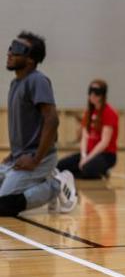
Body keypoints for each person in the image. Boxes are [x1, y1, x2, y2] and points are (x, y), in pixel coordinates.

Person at [0, 31, 77, 216]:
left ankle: (57, 185)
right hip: (20, 158)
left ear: (30, 60)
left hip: (39, 159)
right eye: (11, 47)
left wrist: (36, 159)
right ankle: (42, 180)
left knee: (4, 205)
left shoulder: (37, 80)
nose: (10, 52)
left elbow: (52, 120)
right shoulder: (15, 83)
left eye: (17, 49)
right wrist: (14, 154)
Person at [57, 79, 118, 179]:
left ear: (103, 95)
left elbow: (104, 142)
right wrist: (84, 155)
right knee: (60, 166)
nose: (93, 95)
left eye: (96, 92)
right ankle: (92, 171)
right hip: (88, 153)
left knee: (87, 168)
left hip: (106, 155)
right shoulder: (88, 113)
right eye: (91, 91)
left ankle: (100, 172)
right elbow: (85, 137)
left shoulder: (109, 113)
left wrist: (87, 159)